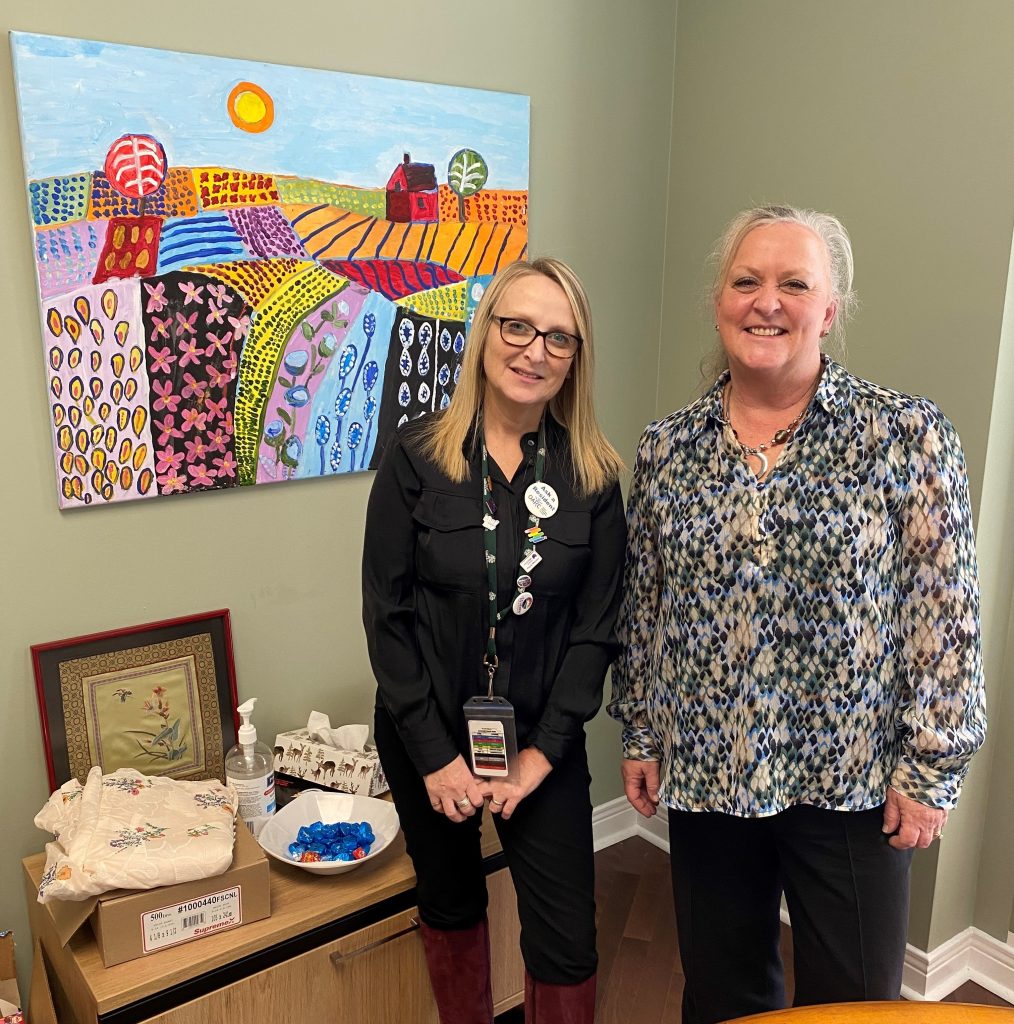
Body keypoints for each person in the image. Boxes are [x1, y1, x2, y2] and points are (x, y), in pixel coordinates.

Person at [609, 205, 986, 1024]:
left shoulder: (905, 434)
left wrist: (931, 770)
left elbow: (946, 618)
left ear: (829, 309)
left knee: (852, 1005)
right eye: (746, 281)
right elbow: (646, 604)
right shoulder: (667, 448)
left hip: (851, 784)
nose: (766, 301)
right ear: (720, 300)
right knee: (721, 996)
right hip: (711, 774)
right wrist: (639, 730)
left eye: (793, 283)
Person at [363, 256, 626, 1023]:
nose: (534, 350)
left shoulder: (597, 479)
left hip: (543, 743)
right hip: (428, 741)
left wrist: (542, 755)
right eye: (517, 326)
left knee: (568, 940)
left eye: (558, 337)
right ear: (486, 334)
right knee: (449, 905)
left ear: (576, 358)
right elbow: (388, 615)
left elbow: (596, 630)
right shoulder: (415, 459)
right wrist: (436, 757)